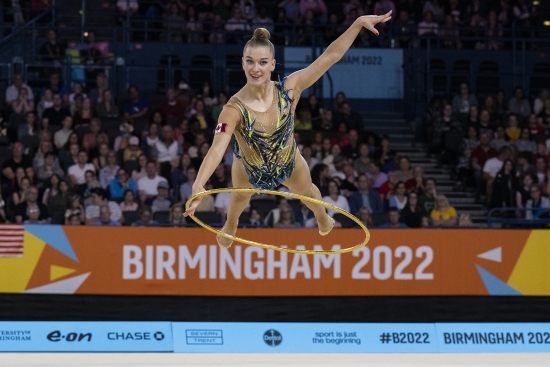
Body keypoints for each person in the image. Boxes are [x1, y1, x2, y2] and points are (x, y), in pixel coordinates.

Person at [184, 14, 393, 247]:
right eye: (250, 61)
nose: (256, 69)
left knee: (309, 194)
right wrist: (199, 184)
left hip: (287, 160)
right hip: (249, 164)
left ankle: (322, 217)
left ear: (272, 64)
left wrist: (356, 24)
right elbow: (217, 148)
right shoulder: (233, 109)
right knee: (240, 195)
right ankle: (231, 223)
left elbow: (330, 56)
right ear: (242, 62)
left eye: (263, 62)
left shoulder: (290, 89)